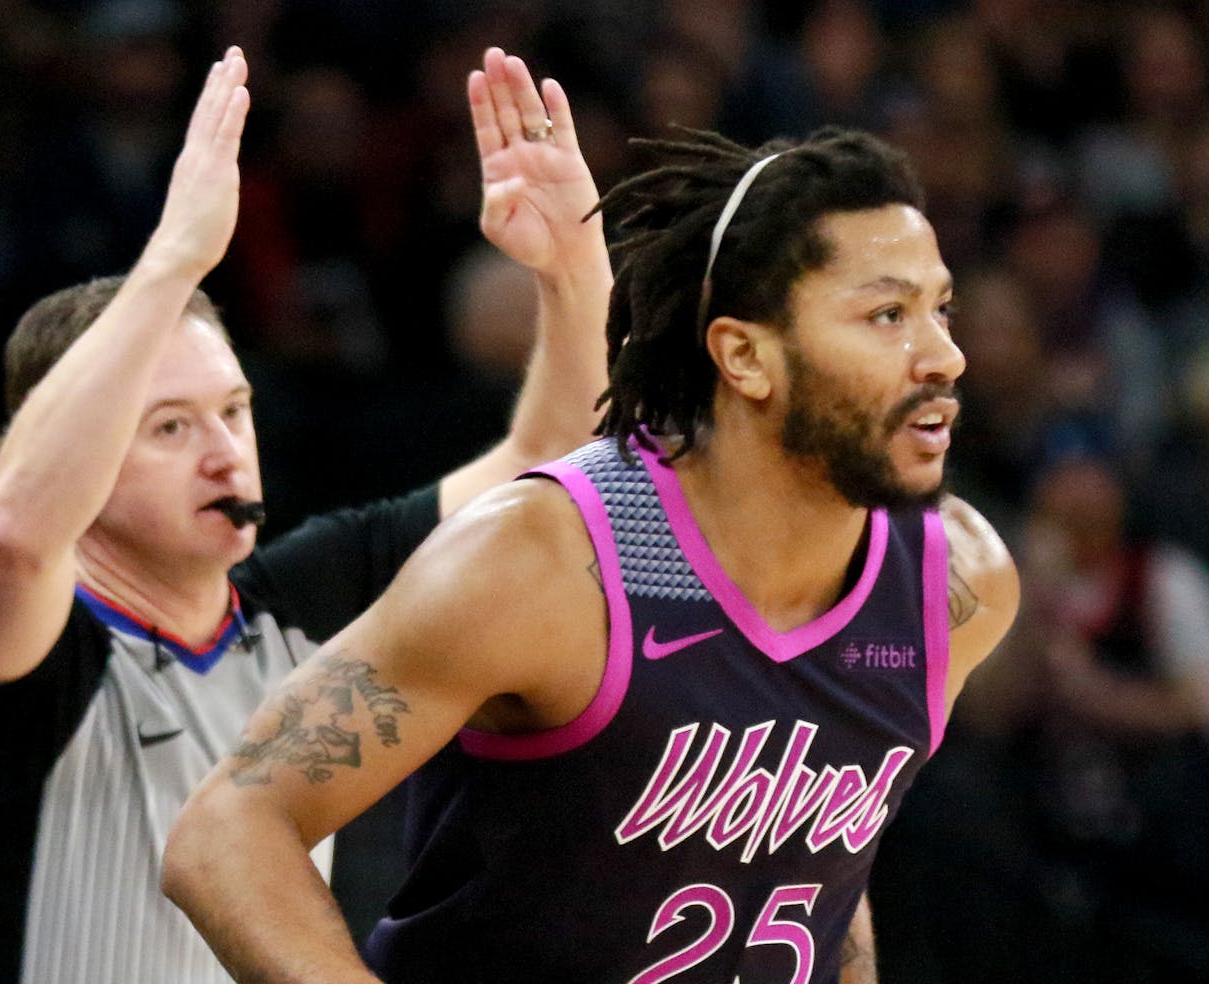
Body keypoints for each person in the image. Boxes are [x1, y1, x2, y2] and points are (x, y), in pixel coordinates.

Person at [162, 110, 1021, 981]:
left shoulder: (960, 584)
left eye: (940, 308)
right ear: (746, 358)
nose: (944, 355)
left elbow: (825, 871)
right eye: (886, 314)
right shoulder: (545, 560)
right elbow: (229, 831)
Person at [0, 45, 610, 984]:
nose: (223, 450)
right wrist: (174, 260)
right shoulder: (30, 636)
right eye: (167, 426)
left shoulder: (297, 594)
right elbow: (14, 529)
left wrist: (572, 268)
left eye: (234, 411)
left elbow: (547, 465)